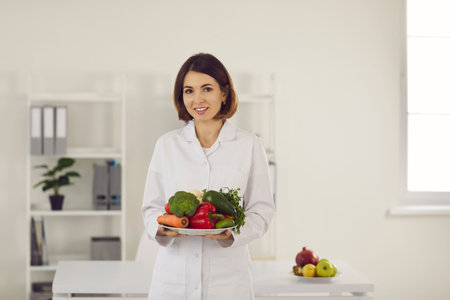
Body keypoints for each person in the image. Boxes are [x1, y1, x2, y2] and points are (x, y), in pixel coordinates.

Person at [141, 53, 276, 300]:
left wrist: (232, 234)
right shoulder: (167, 145)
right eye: (189, 91)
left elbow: (262, 210)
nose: (198, 99)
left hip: (228, 283)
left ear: (224, 94)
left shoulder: (249, 145)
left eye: (207, 89)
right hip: (172, 282)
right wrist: (160, 228)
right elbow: (150, 207)